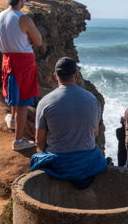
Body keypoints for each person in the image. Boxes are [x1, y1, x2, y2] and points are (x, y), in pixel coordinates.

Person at [31, 57, 105, 189]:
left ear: (55, 76)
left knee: (36, 158)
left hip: (59, 162)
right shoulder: (92, 99)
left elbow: (39, 140)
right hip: (87, 161)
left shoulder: (45, 102)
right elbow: (95, 133)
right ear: (76, 75)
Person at [0, 0, 43, 151]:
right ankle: (19, 140)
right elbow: (38, 41)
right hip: (23, 61)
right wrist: (29, 38)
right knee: (23, 101)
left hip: (7, 58)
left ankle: (13, 119)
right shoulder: (24, 18)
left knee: (13, 90)